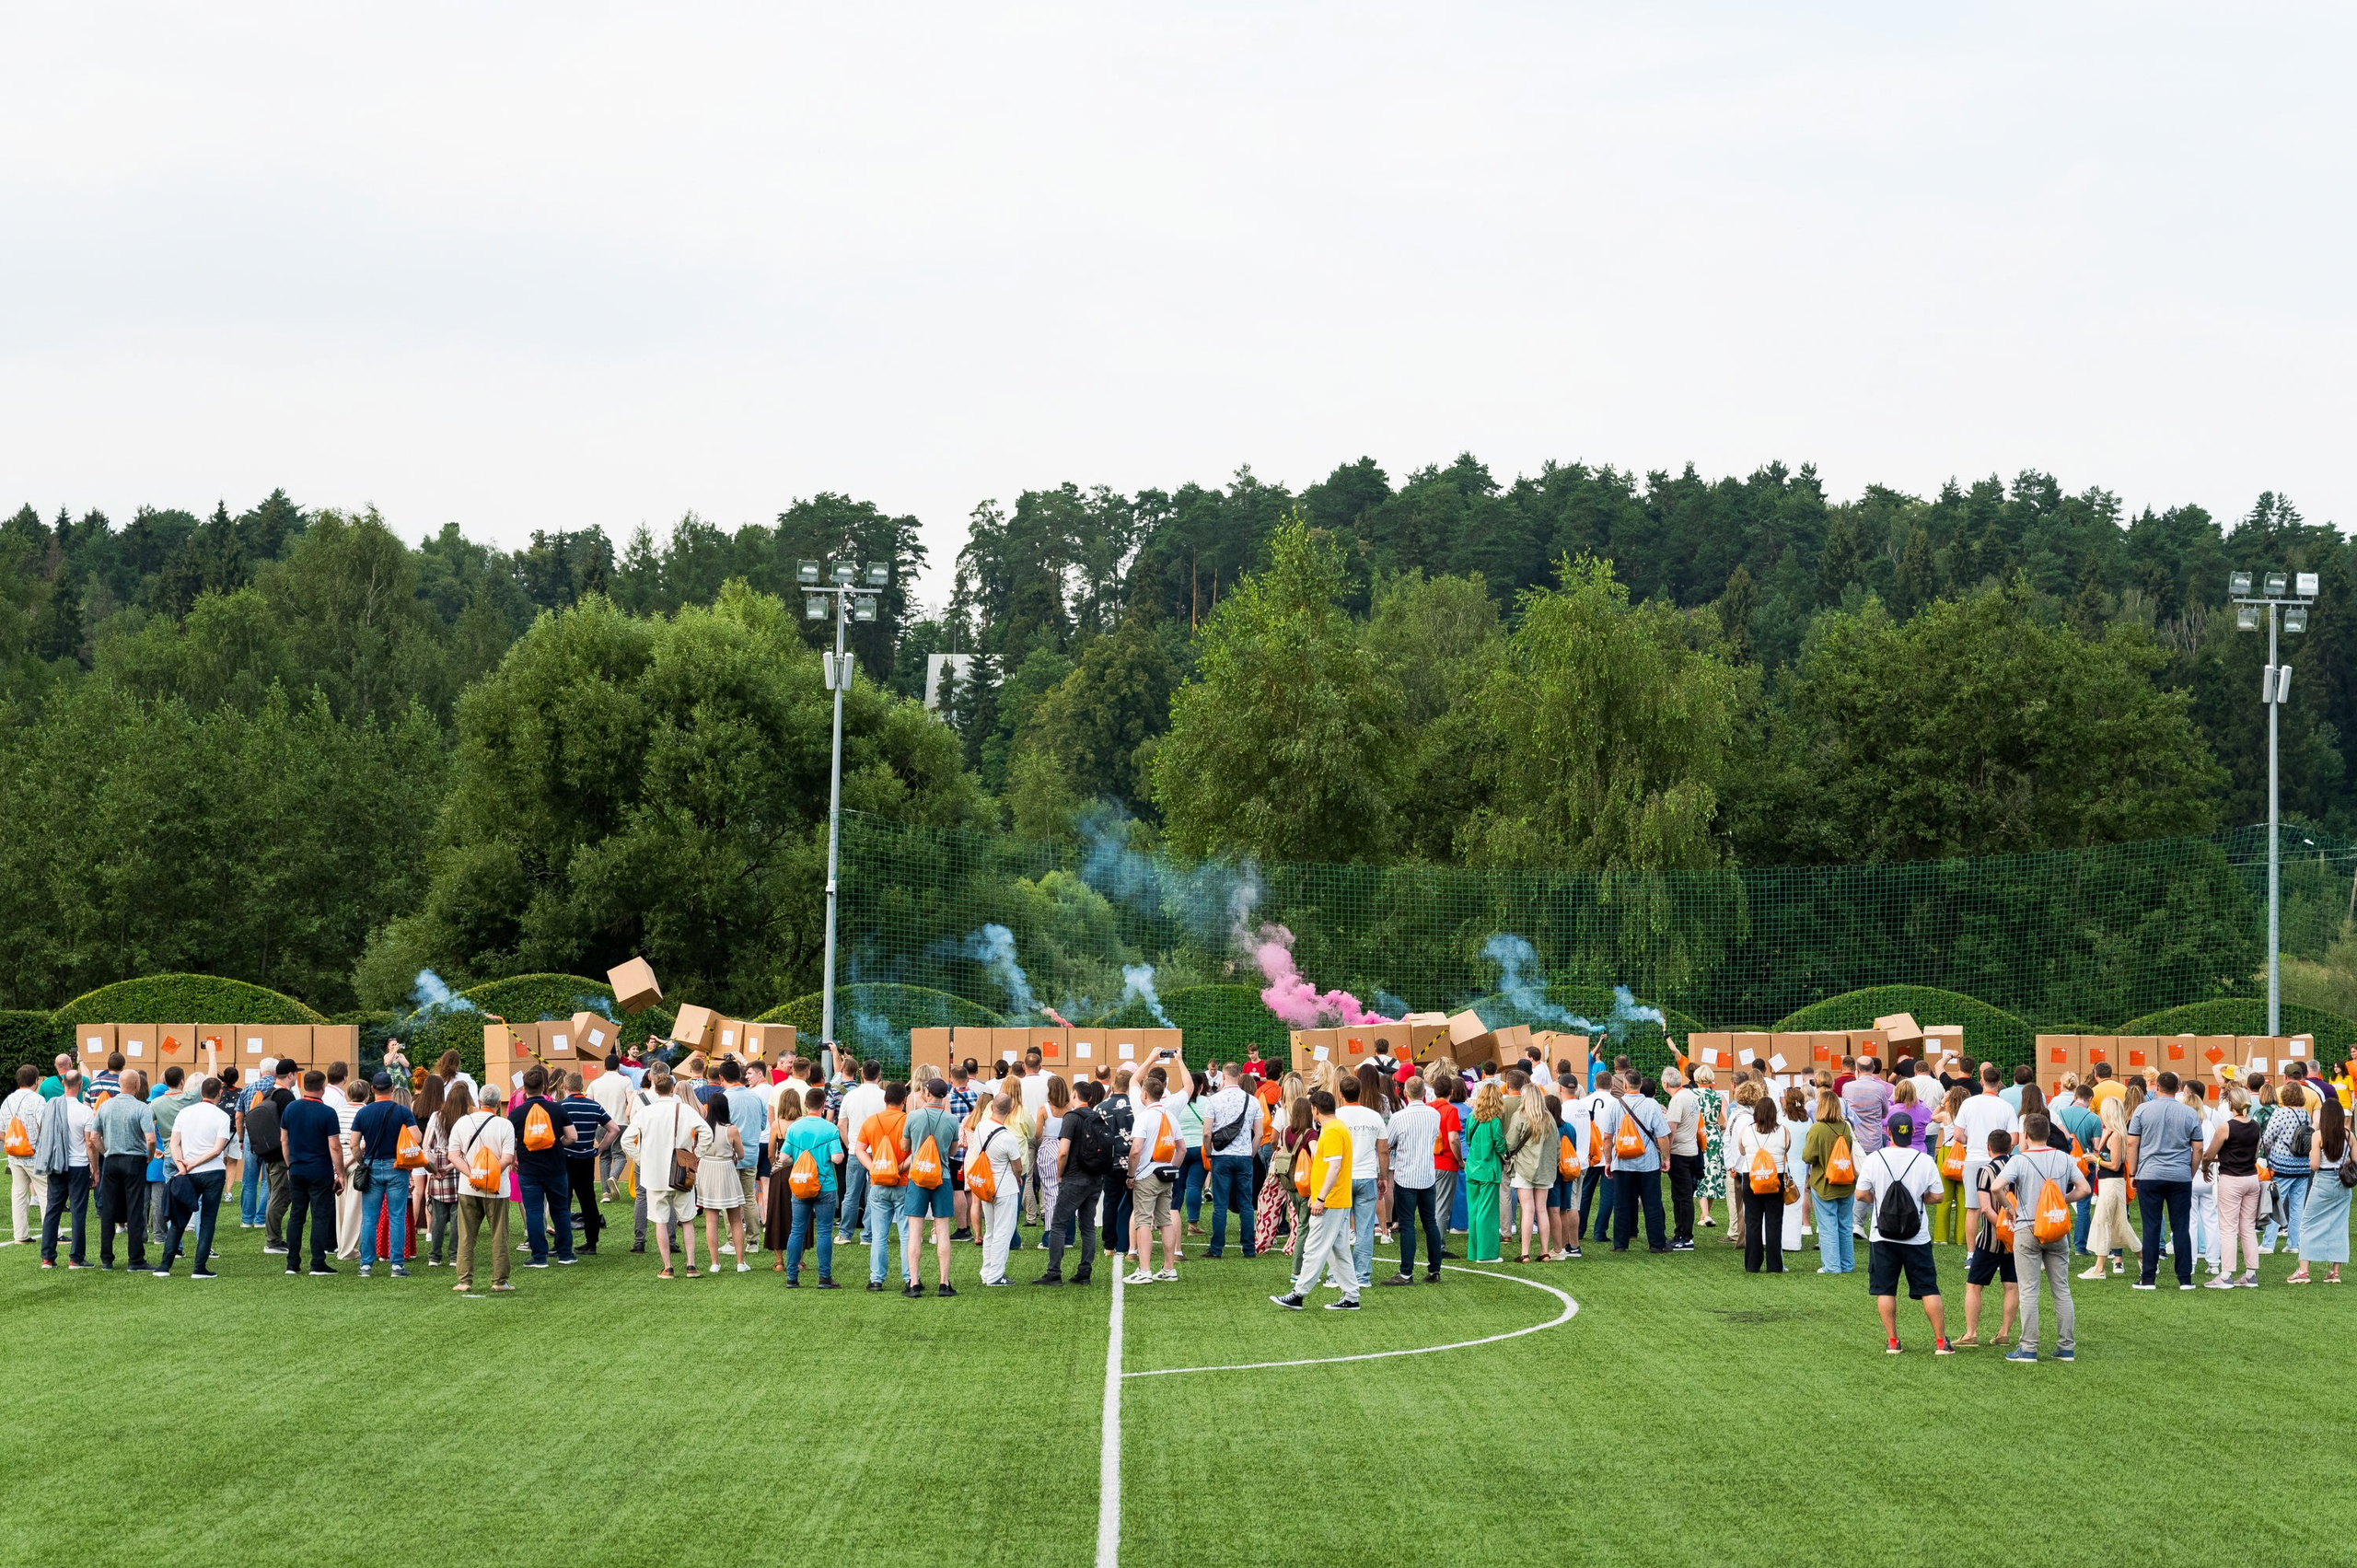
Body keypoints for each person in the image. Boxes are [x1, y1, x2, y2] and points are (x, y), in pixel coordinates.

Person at [1853, 1111, 1951, 1354]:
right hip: (1916, 1235)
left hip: (1882, 1234)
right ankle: (1941, 1342)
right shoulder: (1924, 1160)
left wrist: (1880, 1199)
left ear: (1889, 1133)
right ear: (1914, 1133)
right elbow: (1938, 1196)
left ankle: (1893, 1341)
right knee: (1929, 1288)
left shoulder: (1875, 1159)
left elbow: (1860, 1194)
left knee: (1885, 1289)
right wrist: (1919, 1198)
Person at [1998, 1110, 2090, 1361]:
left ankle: (2028, 1347)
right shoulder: (2064, 1158)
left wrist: (2008, 1208)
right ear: (2049, 1134)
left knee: (2029, 1290)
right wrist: (2062, 1200)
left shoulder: (2019, 1160)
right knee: (2061, 1289)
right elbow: (2085, 1188)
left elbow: (1997, 1186)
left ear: (2026, 1135)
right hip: (2056, 1228)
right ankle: (2066, 1346)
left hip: (2027, 1227)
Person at [1271, 1090, 1358, 1311]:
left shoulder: (1331, 1132)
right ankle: (1351, 1296)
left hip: (1330, 1201)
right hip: (1336, 1199)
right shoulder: (1336, 1128)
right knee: (1338, 1251)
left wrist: (1320, 1198)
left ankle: (1299, 1294)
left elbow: (1334, 1167)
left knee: (1314, 1248)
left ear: (1315, 1110)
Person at [2126, 1070, 2203, 1290]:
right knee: (2181, 1227)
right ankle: (2185, 1278)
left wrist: (2132, 1173)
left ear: (2157, 1087)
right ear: (2178, 1088)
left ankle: (2148, 1277)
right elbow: (2198, 1147)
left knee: (2151, 1226)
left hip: (2149, 1173)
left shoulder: (2143, 1110)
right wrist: (2190, 1171)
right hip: (2179, 1175)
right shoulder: (2189, 1113)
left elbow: (2132, 1144)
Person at [621, 1073, 700, 1280]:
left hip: (654, 1172)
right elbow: (706, 1133)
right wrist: (695, 1156)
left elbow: (627, 1140)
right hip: (682, 1170)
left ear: (655, 1089)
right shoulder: (685, 1109)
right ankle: (691, 1265)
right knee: (687, 1219)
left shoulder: (646, 1112)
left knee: (660, 1220)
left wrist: (640, 1159)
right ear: (672, 1089)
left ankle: (668, 1267)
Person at [155, 1075, 233, 1277]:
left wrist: (182, 1164)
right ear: (220, 1094)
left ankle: (164, 1266)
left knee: (179, 1220)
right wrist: (193, 1163)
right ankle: (199, 1268)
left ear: (200, 1093)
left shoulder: (184, 1113)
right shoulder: (222, 1116)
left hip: (187, 1173)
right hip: (212, 1173)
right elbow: (217, 1150)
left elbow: (174, 1143)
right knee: (207, 1221)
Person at [1040, 1078, 1115, 1285]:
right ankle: (1085, 1272)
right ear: (1090, 1098)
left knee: (1058, 1225)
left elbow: (1063, 1151)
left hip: (1074, 1178)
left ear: (1074, 1094)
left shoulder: (1071, 1117)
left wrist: (1059, 1174)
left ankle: (1054, 1272)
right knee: (1087, 1226)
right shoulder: (1098, 1117)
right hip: (1095, 1179)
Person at [446, 1079, 517, 1292]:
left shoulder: (462, 1123)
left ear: (479, 1100)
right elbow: (508, 1158)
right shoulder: (505, 1125)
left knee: (466, 1235)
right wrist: (489, 1174)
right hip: (498, 1189)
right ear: (498, 1104)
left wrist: (473, 1175)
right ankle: (500, 1281)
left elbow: (453, 1156)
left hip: (469, 1187)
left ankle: (464, 1280)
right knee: (499, 1235)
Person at [898, 1079, 963, 1296]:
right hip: (942, 1177)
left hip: (917, 1177)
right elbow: (953, 1151)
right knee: (942, 1230)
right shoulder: (952, 1120)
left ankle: (914, 1283)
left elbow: (905, 1146)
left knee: (914, 1232)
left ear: (926, 1093)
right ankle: (944, 1282)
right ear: (944, 1095)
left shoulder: (913, 1117)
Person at [350, 1072, 418, 1278]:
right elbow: (417, 1137)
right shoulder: (402, 1111)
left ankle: (366, 1265)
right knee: (397, 1217)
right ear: (391, 1089)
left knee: (370, 1218)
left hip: (371, 1166)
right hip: (397, 1167)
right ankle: (397, 1265)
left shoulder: (364, 1113)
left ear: (372, 1090)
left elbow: (354, 1144)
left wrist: (363, 1162)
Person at [279, 1070, 346, 1276]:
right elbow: (334, 1146)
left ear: (304, 1085)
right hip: (320, 1170)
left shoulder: (291, 1108)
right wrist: (341, 1173)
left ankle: (292, 1263)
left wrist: (290, 1165)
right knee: (319, 1216)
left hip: (297, 1169)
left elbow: (284, 1140)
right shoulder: (327, 1113)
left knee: (296, 1216)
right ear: (323, 1087)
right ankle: (317, 1262)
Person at [1125, 1065, 1189, 1284]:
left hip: (1146, 1174)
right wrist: (1173, 1168)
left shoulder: (1143, 1116)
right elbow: (1182, 1149)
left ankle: (1144, 1270)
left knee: (1143, 1220)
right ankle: (1169, 1268)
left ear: (1144, 1094)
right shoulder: (1170, 1115)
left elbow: (1136, 1150)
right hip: (1166, 1174)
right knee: (1165, 1220)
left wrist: (1131, 1175)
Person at [1956, 1129, 2020, 1348]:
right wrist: (2013, 1227)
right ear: (2010, 1147)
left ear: (1989, 1147)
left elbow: (1985, 1208)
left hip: (1991, 1239)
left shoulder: (1987, 1171)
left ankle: (1971, 1333)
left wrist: (2002, 1225)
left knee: (1974, 1285)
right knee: (2011, 1285)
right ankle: (2004, 1333)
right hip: (2016, 1239)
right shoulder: (2019, 1166)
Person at [778, 1086, 845, 1287]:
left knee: (797, 1230)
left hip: (800, 1184)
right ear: (824, 1105)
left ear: (805, 1105)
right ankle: (824, 1277)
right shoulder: (830, 1129)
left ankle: (792, 1277)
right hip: (825, 1186)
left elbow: (783, 1158)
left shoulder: (794, 1129)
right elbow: (837, 1158)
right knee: (824, 1231)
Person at [1952, 1065, 2022, 1249]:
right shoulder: (2005, 1107)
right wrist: (2004, 1149)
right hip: (1999, 1161)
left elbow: (1958, 1135)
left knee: (1973, 1208)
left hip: (1974, 1158)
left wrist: (1972, 1141)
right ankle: (2001, 1246)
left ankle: (1971, 1253)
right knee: (2002, 1205)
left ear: (1982, 1081)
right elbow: (2015, 1138)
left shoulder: (1969, 1103)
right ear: (1999, 1084)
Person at [93, 1070, 157, 1271]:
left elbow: (94, 1137)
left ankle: (106, 1259)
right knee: (135, 1208)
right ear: (137, 1085)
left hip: (112, 1160)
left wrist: (108, 1151)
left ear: (120, 1084)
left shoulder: (105, 1106)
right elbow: (151, 1139)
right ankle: (135, 1259)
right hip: (134, 1160)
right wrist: (149, 1155)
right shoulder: (142, 1108)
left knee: (108, 1210)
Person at [1600, 1074, 1672, 1253]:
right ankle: (1657, 1243)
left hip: (1622, 1163)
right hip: (1648, 1163)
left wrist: (1608, 1161)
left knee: (1622, 1204)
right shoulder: (1652, 1105)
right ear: (1640, 1084)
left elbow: (1607, 1137)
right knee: (1652, 1203)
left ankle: (1620, 1243)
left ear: (1624, 1085)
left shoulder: (1615, 1105)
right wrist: (1666, 1158)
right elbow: (1662, 1135)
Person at [2202, 1085, 2265, 1290]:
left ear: (2231, 1104)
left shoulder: (2226, 1127)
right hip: (2251, 1178)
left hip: (2231, 1178)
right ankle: (2251, 1274)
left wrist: (2205, 1168)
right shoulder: (2255, 1126)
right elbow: (2254, 1154)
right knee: (2247, 1227)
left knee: (2228, 1228)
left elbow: (2209, 1154)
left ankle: (2226, 1274)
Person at [1383, 1074, 1443, 1284]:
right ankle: (1435, 1269)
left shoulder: (1399, 1117)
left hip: (1406, 1176)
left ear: (1404, 1093)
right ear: (1424, 1093)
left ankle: (1406, 1273)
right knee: (1430, 1223)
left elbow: (1388, 1143)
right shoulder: (1434, 1115)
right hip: (1427, 1175)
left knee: (1408, 1225)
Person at [34, 1070, 97, 1268]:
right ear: (80, 1086)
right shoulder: (85, 1111)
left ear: (63, 1084)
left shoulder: (50, 1107)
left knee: (52, 1210)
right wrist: (95, 1170)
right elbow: (90, 1144)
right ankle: (75, 1258)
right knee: (78, 1211)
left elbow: (41, 1129)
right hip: (78, 1166)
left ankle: (47, 1257)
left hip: (56, 1164)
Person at [1199, 1063, 1262, 1260]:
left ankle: (1216, 1249)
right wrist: (1250, 1154)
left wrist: (1210, 1152)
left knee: (1220, 1204)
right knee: (1246, 1204)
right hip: (1244, 1156)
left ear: (1223, 1077)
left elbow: (1207, 1133)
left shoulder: (1214, 1100)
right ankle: (1249, 1248)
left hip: (1221, 1156)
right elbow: (1259, 1134)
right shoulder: (1252, 1101)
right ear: (1240, 1076)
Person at [2289, 1089, 2349, 1285]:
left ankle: (2304, 1270)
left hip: (2323, 1180)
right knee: (2339, 1225)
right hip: (2342, 1183)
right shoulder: (2349, 1135)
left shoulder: (2318, 1135)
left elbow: (2314, 1165)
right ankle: (2335, 1271)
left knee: (2307, 1223)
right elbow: (2354, 1160)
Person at [2078, 1097, 2141, 1280]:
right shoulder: (2111, 1132)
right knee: (2119, 1224)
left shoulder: (2117, 1135)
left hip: (2112, 1183)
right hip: (2108, 1183)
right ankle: (2143, 1257)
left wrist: (2095, 1160)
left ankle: (2100, 1268)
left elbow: (2114, 1164)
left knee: (2103, 1221)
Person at [1729, 1093, 1791, 1274]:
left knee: (1753, 1222)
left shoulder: (1747, 1130)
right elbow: (1787, 1148)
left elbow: (1741, 1150)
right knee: (1774, 1222)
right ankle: (1774, 1265)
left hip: (1752, 1177)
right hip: (1775, 1179)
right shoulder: (1783, 1131)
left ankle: (1752, 1265)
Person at [968, 1092, 1024, 1285]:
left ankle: (987, 1271)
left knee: (990, 1230)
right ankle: (995, 1275)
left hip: (986, 1185)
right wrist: (1018, 1177)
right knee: (1003, 1231)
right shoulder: (1008, 1137)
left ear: (992, 1107)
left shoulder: (981, 1127)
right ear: (1010, 1110)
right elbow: (1018, 1166)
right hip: (1004, 1187)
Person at [691, 1085, 747, 1272]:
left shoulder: (702, 1128)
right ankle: (740, 1262)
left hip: (706, 1169)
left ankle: (715, 1263)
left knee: (711, 1219)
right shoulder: (731, 1130)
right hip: (726, 1169)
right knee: (736, 1219)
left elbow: (695, 1150)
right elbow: (742, 1153)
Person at [1802, 1086, 1857, 1273]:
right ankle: (1847, 1264)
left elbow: (1808, 1156)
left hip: (1824, 1184)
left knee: (1827, 1226)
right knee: (1845, 1225)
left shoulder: (1817, 1129)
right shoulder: (1846, 1127)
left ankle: (1832, 1266)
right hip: (1847, 1182)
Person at [715, 1058, 766, 1258]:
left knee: (729, 1199)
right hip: (752, 1152)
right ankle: (752, 1240)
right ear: (741, 1074)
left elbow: (719, 1128)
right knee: (748, 1198)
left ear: (721, 1077)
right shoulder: (755, 1097)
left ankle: (731, 1240)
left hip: (731, 1155)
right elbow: (763, 1125)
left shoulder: (724, 1098)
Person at [559, 1072, 612, 1254]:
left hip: (566, 1158)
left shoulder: (561, 1106)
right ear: (582, 1087)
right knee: (588, 1200)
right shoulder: (594, 1106)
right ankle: (591, 1243)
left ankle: (563, 1243)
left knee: (563, 1202)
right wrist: (600, 1148)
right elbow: (613, 1129)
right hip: (587, 1159)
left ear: (565, 1087)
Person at [2259, 1080, 2313, 1263]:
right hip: (2303, 1166)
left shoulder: (2280, 1113)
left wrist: (2267, 1152)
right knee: (2297, 1206)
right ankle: (2294, 1243)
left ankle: (2268, 1243)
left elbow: (2268, 1138)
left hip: (2282, 1165)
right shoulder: (2305, 1114)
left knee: (2275, 1203)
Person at [835, 1061, 886, 1244]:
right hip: (879, 1152)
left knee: (851, 1193)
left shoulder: (850, 1096)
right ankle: (869, 1234)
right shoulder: (884, 1096)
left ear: (861, 1074)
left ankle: (845, 1233)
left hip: (856, 1150)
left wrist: (851, 1145)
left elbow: (841, 1124)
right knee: (875, 1193)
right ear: (879, 1075)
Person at [421, 1081, 470, 1268]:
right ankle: (453, 1256)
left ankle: (434, 1256)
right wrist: (451, 1167)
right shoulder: (466, 1119)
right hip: (458, 1163)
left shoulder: (436, 1116)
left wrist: (434, 1169)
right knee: (458, 1213)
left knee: (439, 1214)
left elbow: (426, 1145)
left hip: (438, 1162)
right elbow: (466, 1149)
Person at [1462, 1080, 1506, 1263]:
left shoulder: (1472, 1118)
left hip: (1472, 1168)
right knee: (1487, 1212)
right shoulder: (1494, 1122)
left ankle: (1474, 1252)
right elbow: (1500, 1145)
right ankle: (1486, 1254)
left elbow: (1469, 1141)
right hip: (1488, 1170)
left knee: (1474, 1211)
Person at [4, 1064, 46, 1246]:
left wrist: (14, 1141)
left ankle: (20, 1234)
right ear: (35, 1081)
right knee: (46, 1194)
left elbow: (1, 1131)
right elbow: (43, 1125)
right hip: (35, 1154)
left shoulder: (7, 1101)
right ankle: (51, 1232)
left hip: (14, 1154)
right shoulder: (38, 1100)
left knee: (19, 1194)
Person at [588, 1054, 635, 1199]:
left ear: (604, 1067)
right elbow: (631, 1100)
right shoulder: (625, 1081)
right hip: (620, 1123)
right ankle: (613, 1177)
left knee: (604, 1157)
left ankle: (605, 1193)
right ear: (619, 1067)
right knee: (620, 1155)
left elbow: (590, 1104)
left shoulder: (594, 1083)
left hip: (600, 1125)